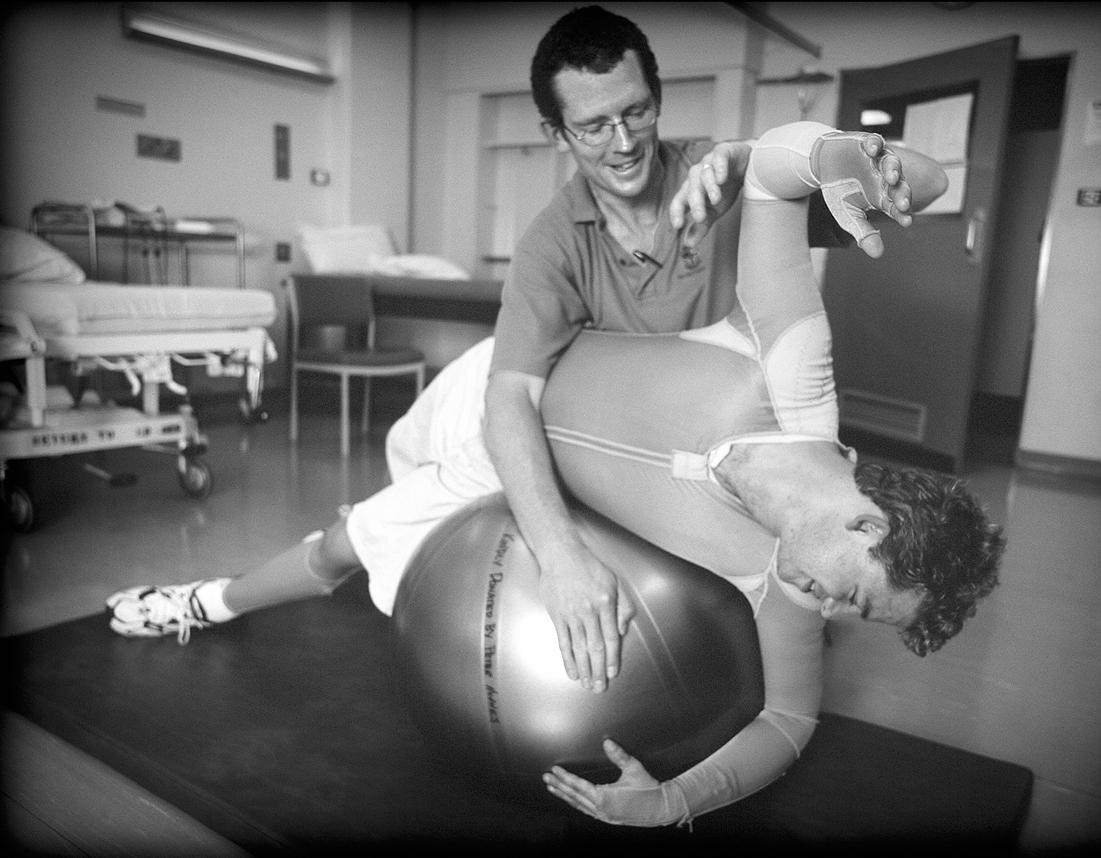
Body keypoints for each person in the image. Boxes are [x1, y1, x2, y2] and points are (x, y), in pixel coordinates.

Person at [107, 119, 1002, 828]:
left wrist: (675, 802)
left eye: (851, 616)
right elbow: (773, 169)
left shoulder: (787, 588)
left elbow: (789, 722)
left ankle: (200, 603)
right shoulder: (793, 372)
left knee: (348, 550)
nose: (832, 613)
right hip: (496, 394)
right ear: (869, 525)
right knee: (387, 502)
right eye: (859, 597)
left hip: (513, 472)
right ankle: (335, 551)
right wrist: (840, 151)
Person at [480, 5, 947, 693]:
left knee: (769, 653)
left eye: (636, 112)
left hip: (738, 459)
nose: (623, 141)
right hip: (632, 458)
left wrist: (809, 155)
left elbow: (928, 183)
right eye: (592, 125)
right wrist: (560, 555)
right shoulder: (553, 242)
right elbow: (509, 394)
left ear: (658, 99)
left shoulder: (721, 179)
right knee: (403, 506)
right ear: (555, 134)